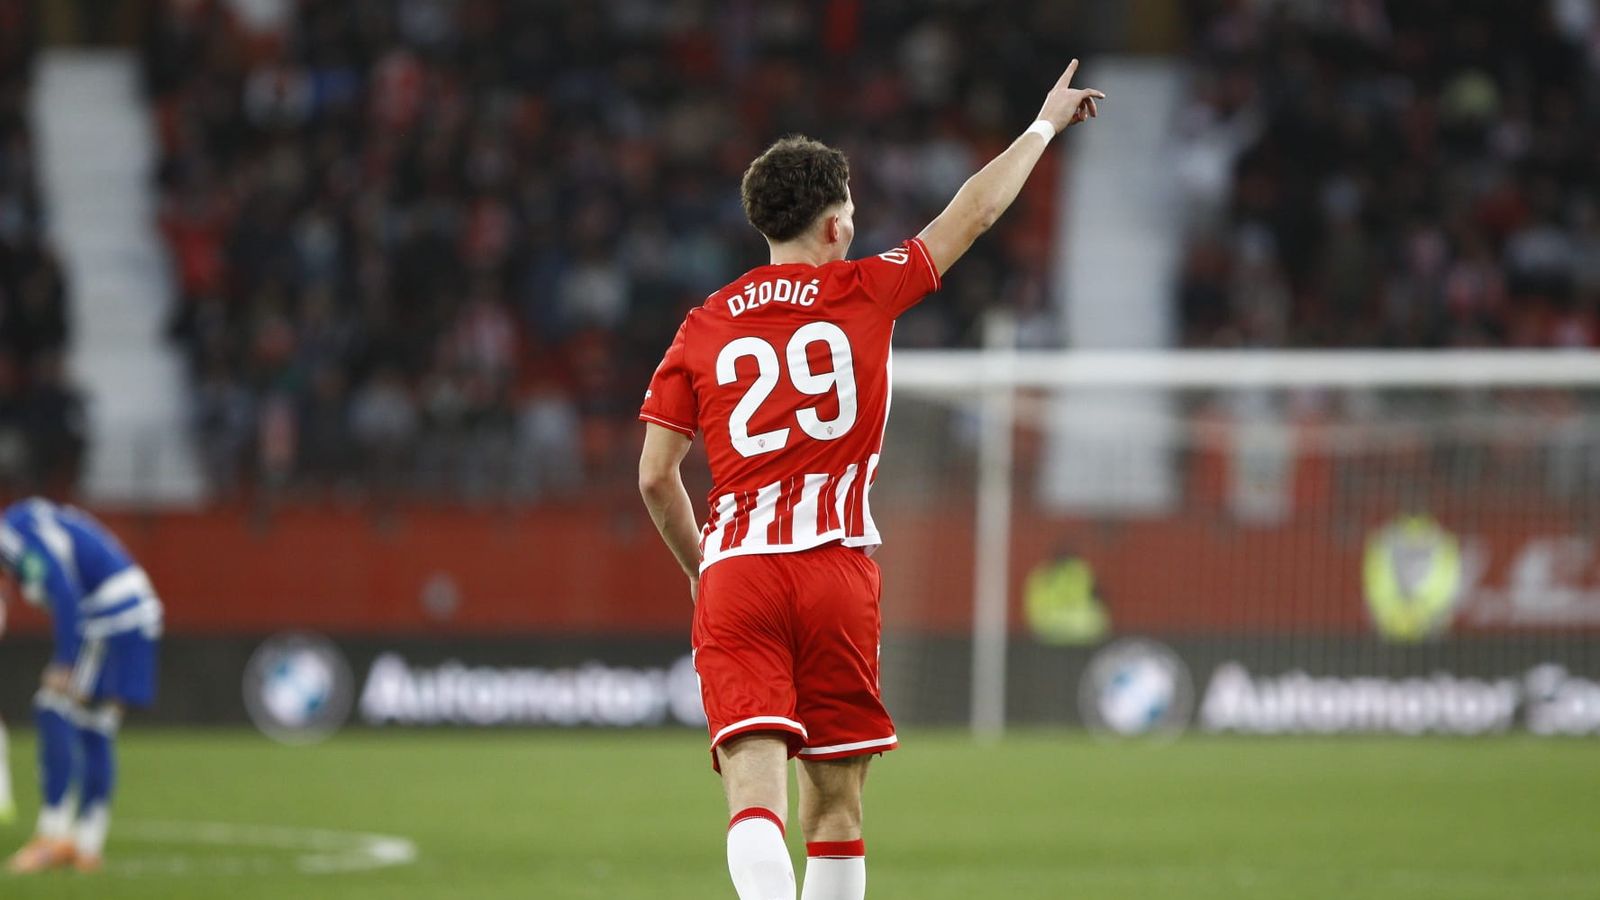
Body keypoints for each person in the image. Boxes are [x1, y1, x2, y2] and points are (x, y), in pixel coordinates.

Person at [638, 60, 1104, 900]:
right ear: (835, 228)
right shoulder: (865, 291)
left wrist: (705, 567)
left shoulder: (702, 325)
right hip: (835, 571)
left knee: (754, 798)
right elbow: (977, 210)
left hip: (737, 569)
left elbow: (653, 477)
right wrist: (1042, 126)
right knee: (838, 811)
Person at [0, 498, 163, 874]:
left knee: (52, 705)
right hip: (139, 609)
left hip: (110, 615)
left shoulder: (11, 537)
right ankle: (88, 845)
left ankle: (52, 836)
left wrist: (65, 661)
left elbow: (64, 591)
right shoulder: (28, 519)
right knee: (96, 725)